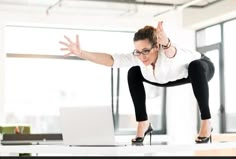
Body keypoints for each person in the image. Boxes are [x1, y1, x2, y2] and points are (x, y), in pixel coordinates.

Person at [59, 21, 215, 144]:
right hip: (165, 78)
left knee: (196, 66)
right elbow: (110, 60)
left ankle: (206, 122)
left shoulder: (168, 52)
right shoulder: (139, 57)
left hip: (200, 69)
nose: (142, 56)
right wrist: (81, 53)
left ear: (157, 46)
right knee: (133, 72)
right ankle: (143, 123)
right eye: (138, 51)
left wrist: (166, 42)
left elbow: (171, 52)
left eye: (146, 51)